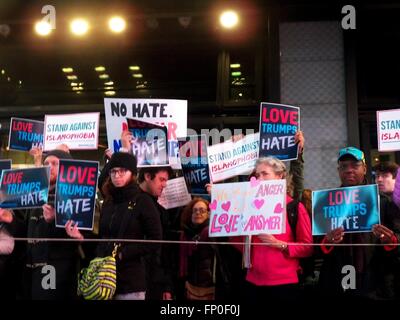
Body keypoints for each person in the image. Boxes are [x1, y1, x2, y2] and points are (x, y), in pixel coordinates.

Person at [66, 152, 162, 300]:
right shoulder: (109, 201)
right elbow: (103, 237)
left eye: (122, 171)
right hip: (102, 281)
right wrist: (81, 237)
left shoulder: (143, 201)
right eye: (113, 171)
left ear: (133, 174)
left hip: (130, 280)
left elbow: (155, 239)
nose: (117, 175)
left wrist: (124, 253)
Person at [318, 147, 400, 300]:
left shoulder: (383, 202)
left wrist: (391, 241)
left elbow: (397, 241)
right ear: (338, 170)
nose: (349, 170)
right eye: (344, 166)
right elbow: (315, 246)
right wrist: (327, 241)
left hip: (374, 284)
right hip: (338, 283)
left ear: (364, 168)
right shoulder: (326, 202)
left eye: (355, 165)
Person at [241, 156, 313, 302]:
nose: (259, 178)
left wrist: (280, 244)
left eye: (264, 174)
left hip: (284, 283)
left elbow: (308, 247)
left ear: (279, 176)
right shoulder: (248, 206)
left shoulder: (294, 207)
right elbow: (237, 243)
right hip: (253, 281)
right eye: (257, 174)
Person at [137, 165, 178, 300]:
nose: (165, 185)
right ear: (148, 176)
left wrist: (167, 285)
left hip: (155, 280)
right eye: (161, 180)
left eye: (166, 180)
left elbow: (165, 250)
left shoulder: (161, 211)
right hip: (131, 278)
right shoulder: (127, 202)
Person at [179, 197, 218, 300]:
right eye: (195, 210)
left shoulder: (212, 232)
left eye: (202, 210)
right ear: (190, 213)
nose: (198, 213)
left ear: (208, 214)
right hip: (190, 285)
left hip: (209, 287)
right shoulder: (185, 234)